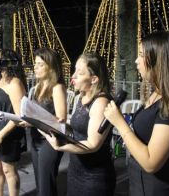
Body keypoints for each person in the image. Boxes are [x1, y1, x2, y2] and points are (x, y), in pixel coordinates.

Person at [104, 31, 169, 195]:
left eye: (140, 55)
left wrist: (120, 123)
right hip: (139, 185)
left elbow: (151, 162)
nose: (136, 60)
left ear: (158, 60)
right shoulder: (155, 93)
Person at [42, 52, 115, 196]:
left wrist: (60, 146)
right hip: (76, 169)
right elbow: (81, 128)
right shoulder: (82, 96)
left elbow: (93, 144)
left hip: (94, 177)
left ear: (93, 79)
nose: (73, 76)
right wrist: (60, 124)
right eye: (75, 70)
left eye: (80, 73)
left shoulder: (101, 102)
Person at [24, 48, 67, 196]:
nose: (35, 67)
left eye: (40, 64)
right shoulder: (37, 87)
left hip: (50, 140)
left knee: (46, 185)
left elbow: (61, 119)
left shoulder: (57, 87)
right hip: (36, 138)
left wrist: (33, 120)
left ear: (51, 66)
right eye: (35, 64)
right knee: (40, 183)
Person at [0, 49, 27, 196]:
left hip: (9, 129)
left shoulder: (15, 83)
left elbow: (19, 116)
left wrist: (0, 135)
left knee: (8, 169)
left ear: (7, 62)